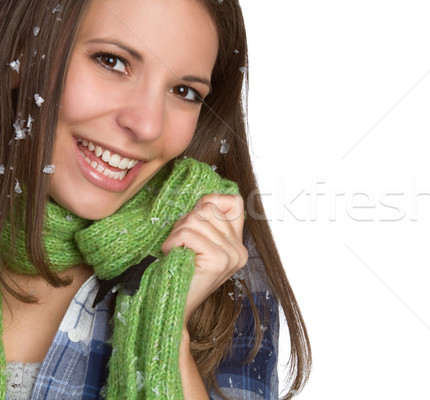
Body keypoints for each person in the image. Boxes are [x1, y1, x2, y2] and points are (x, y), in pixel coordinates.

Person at [0, 0, 311, 399]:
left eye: (184, 91)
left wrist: (167, 325)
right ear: (21, 54)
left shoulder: (220, 263)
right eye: (111, 61)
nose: (147, 125)